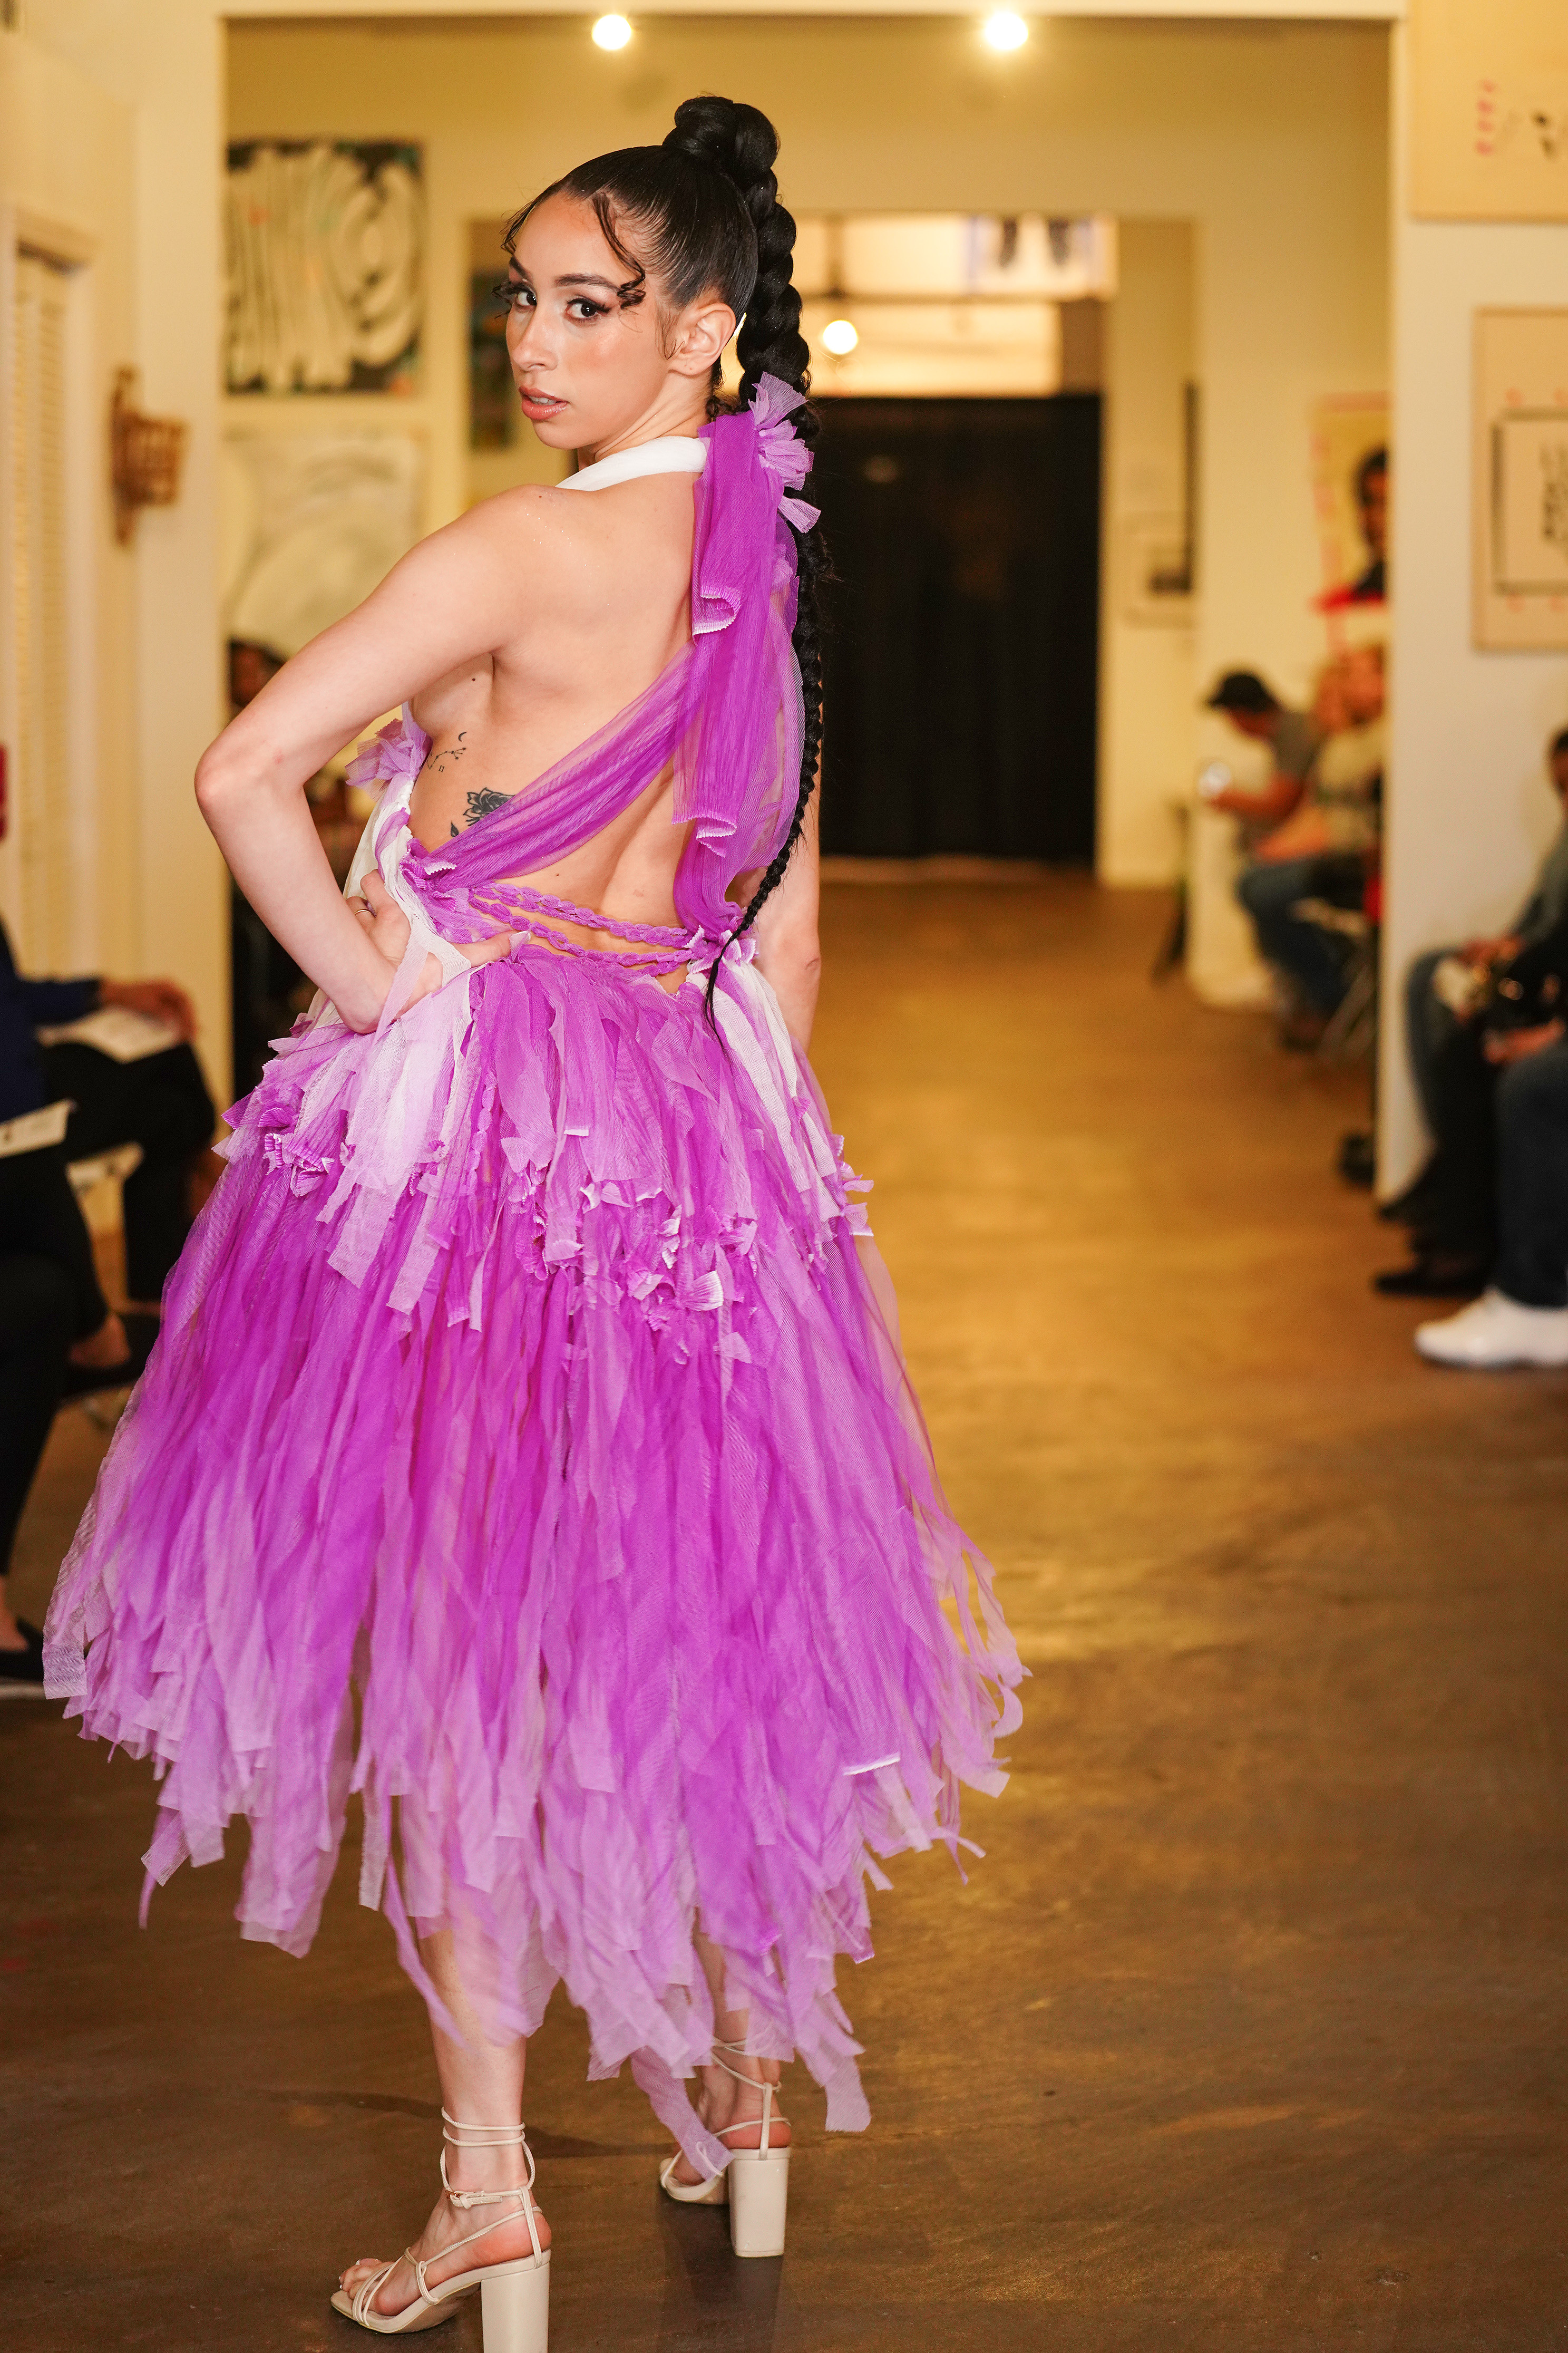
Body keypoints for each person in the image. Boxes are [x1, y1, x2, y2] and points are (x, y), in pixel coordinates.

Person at [45, 98, 1020, 2347]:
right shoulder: (759, 564)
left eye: (585, 303)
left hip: (473, 1132)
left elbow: (237, 771)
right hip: (692, 1118)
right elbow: (786, 925)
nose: (531, 337)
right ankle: (742, 2095)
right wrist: (759, 1168)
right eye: (517, 296)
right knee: (686, 1607)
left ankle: (491, 2193)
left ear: (699, 328)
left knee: (466, 1642)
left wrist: (375, 982)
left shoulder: (512, 549)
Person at [1393, 723, 1568, 1221]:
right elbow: (1542, 918)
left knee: (1488, 1051)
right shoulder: (1562, 840)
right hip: (1540, 967)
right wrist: (1503, 947)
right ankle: (1453, 1165)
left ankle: (1466, 1196)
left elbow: (1554, 942)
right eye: (1560, 787)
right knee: (1430, 977)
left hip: (1549, 981)